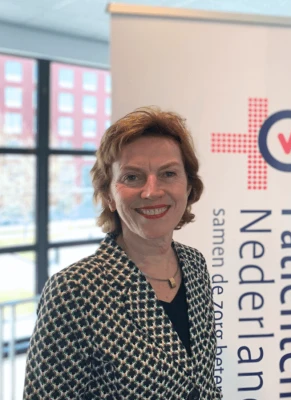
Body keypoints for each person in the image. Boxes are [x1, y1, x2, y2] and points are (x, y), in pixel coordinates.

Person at [23, 107, 222, 399]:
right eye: (132, 177)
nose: (152, 191)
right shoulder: (74, 291)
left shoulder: (194, 264)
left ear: (188, 186)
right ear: (108, 195)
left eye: (168, 173)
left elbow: (203, 383)